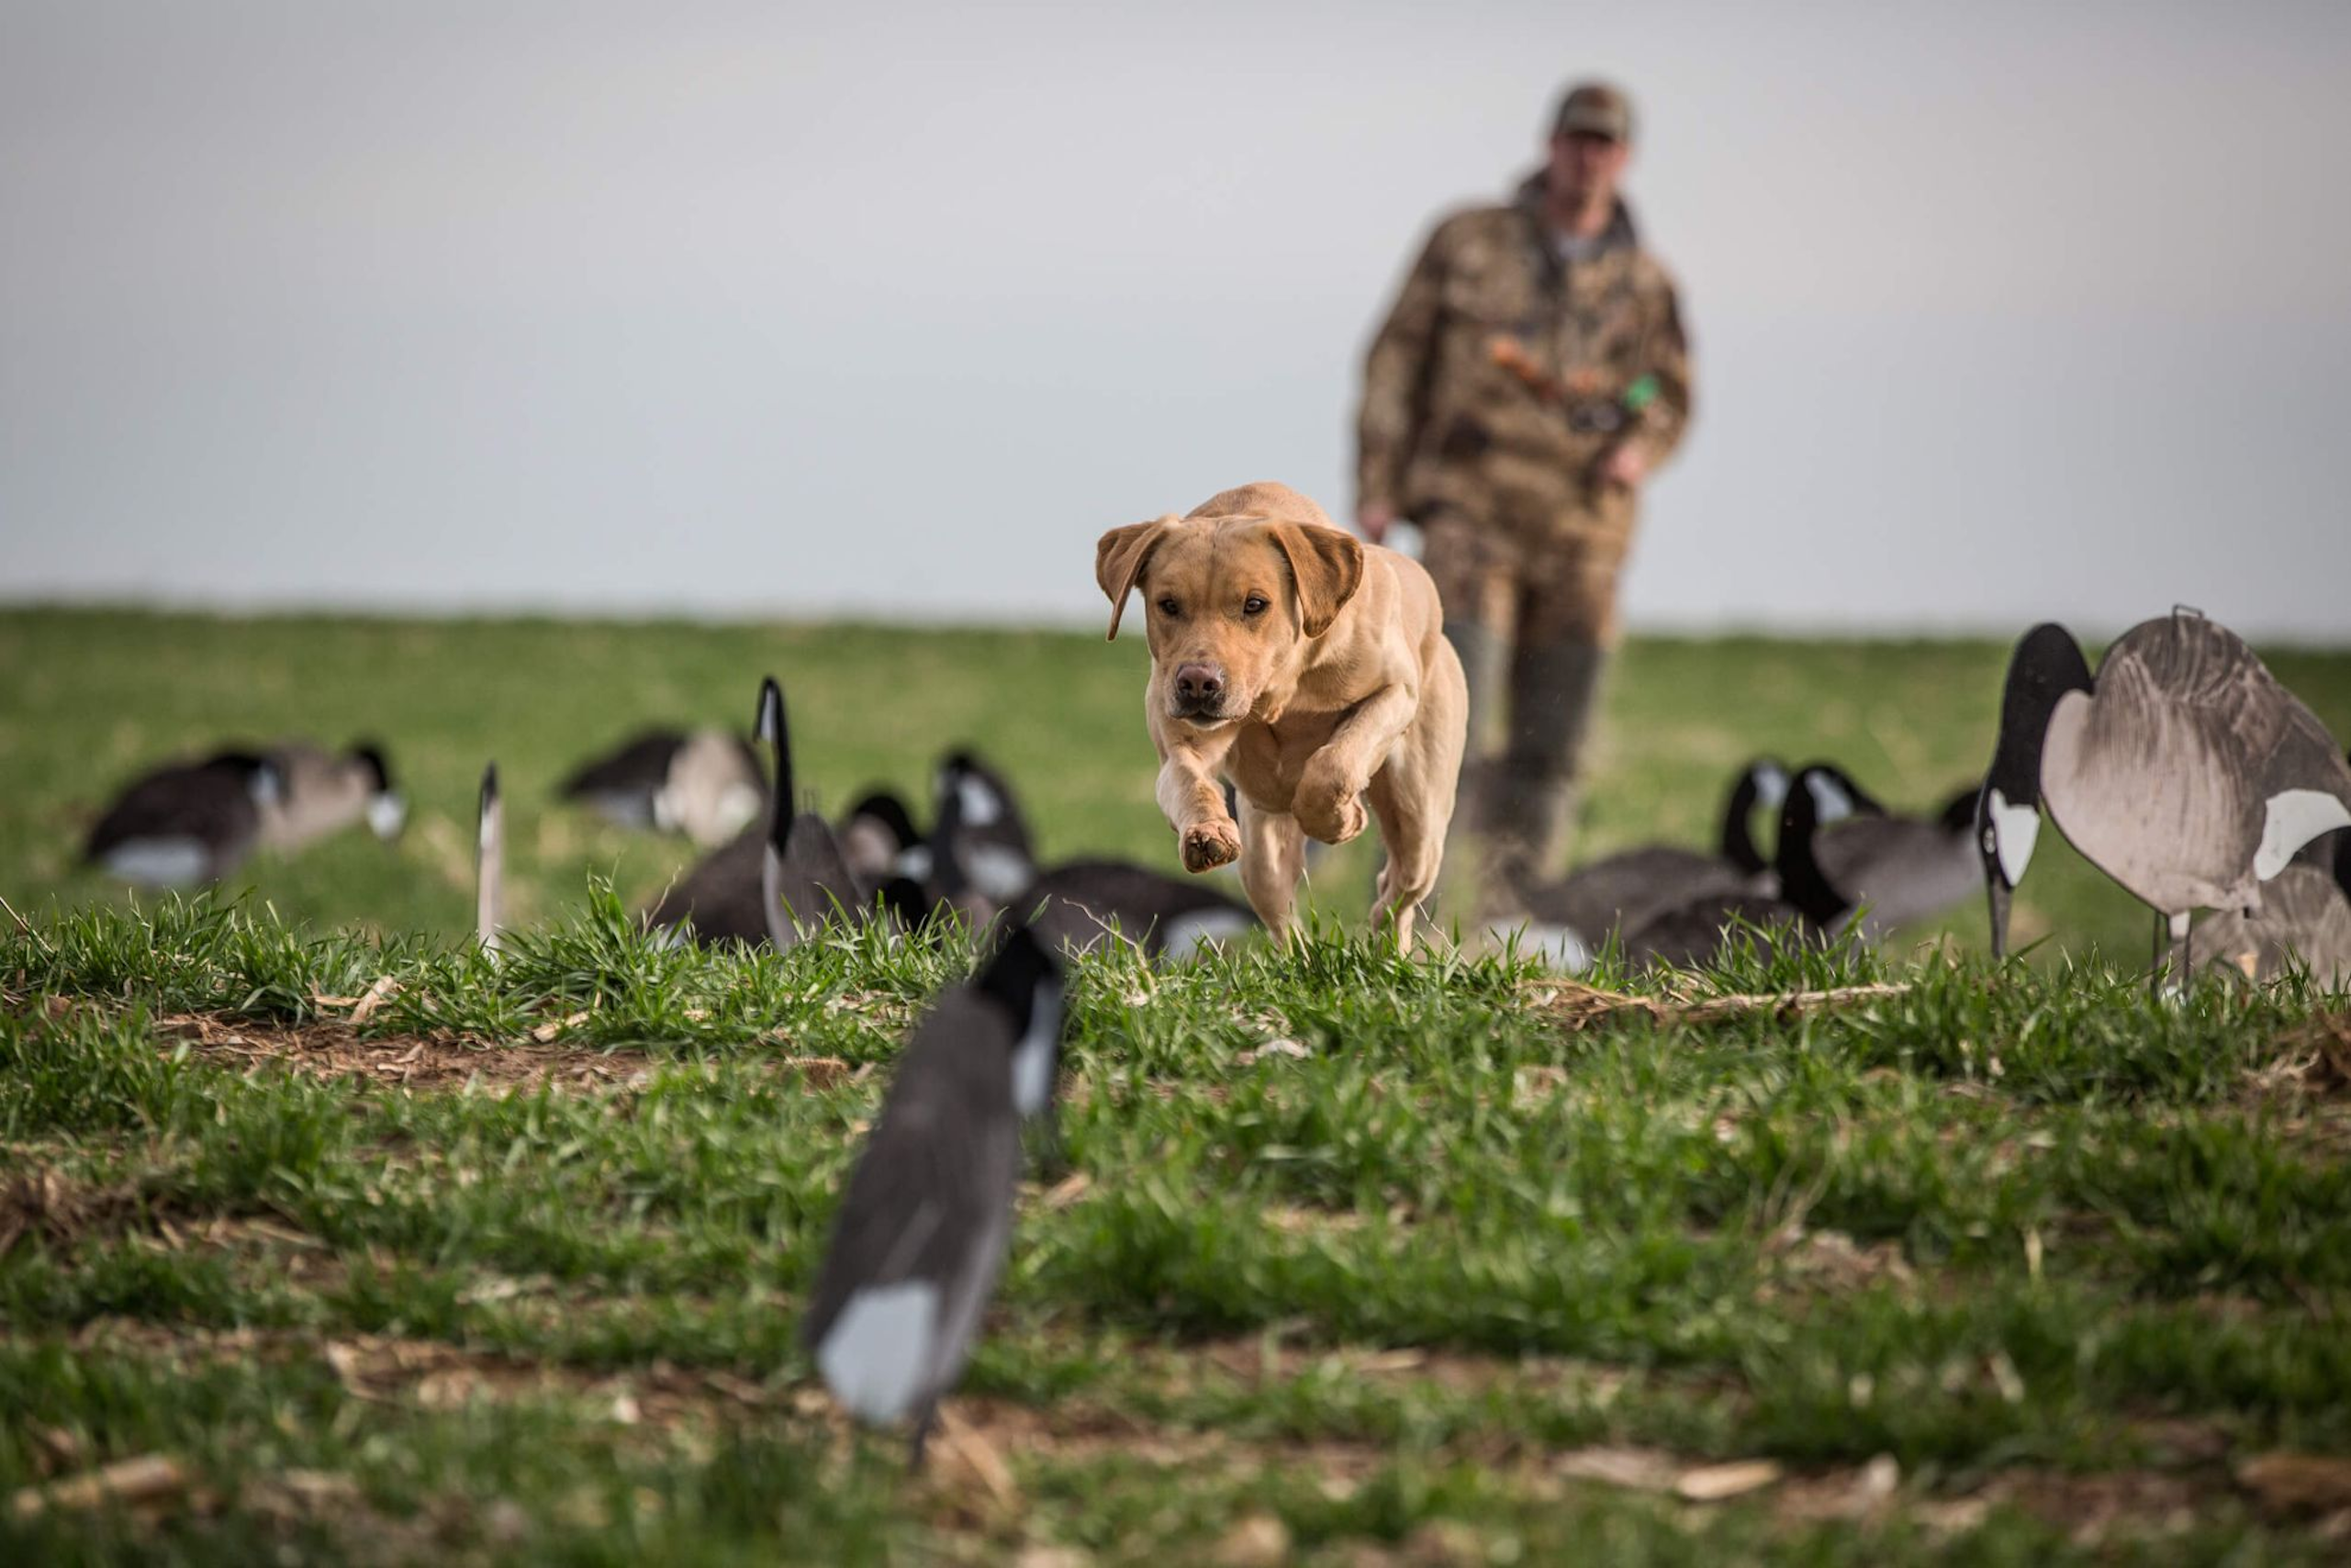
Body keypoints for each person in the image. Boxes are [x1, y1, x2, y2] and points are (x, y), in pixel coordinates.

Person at [1355, 81, 1693, 919]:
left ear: (1625, 158)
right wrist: (1376, 484)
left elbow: (1670, 395)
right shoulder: (1467, 241)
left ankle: (1513, 926)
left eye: (1604, 145)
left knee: (1552, 748)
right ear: (1550, 145)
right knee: (1434, 728)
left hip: (1583, 541)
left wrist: (1636, 448)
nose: (1587, 158)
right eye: (1576, 140)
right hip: (1468, 522)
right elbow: (1395, 359)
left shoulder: (1645, 283)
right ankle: (1409, 924)